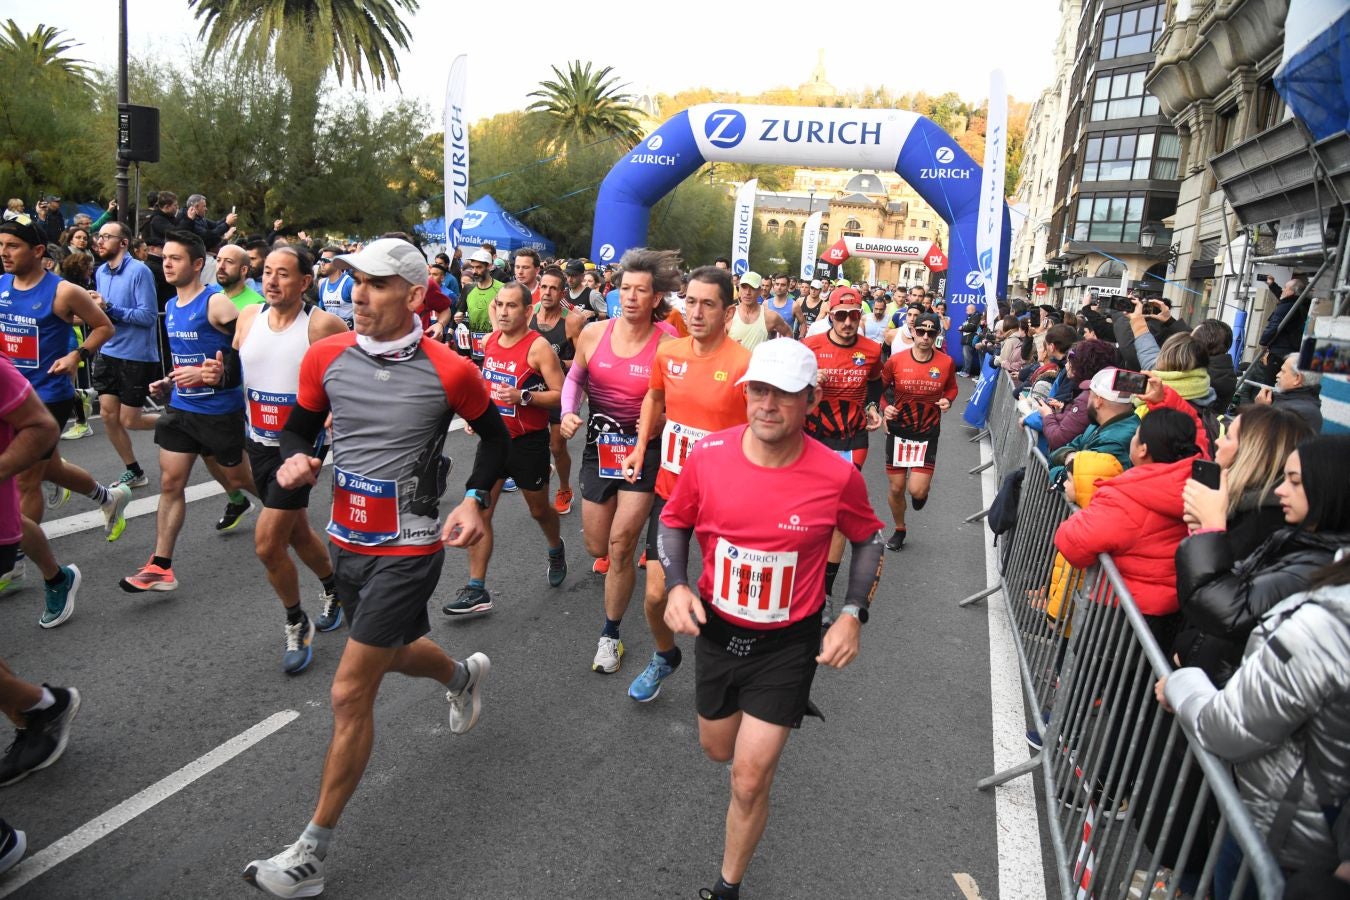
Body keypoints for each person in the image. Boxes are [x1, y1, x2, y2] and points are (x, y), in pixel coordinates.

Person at [242, 237, 510, 898]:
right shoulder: (326, 357)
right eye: (353, 281)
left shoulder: (451, 372)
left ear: (414, 295)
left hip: (411, 546)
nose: (358, 295)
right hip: (347, 541)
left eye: (376, 284)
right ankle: (458, 676)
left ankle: (310, 853)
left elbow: (497, 440)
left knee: (348, 689)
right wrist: (295, 458)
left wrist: (476, 502)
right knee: (387, 655)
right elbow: (299, 427)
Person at [658, 338, 885, 900]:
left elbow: (868, 539)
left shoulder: (835, 475)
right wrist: (678, 585)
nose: (767, 405)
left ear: (810, 399)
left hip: (789, 641)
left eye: (783, 395)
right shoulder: (708, 455)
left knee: (749, 777)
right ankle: (766, 715)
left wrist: (853, 613)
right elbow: (672, 521)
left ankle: (727, 886)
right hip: (718, 629)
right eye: (758, 391)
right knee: (717, 749)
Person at [1160, 556, 1350, 899]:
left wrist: (1182, 682)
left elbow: (1228, 728)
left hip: (1283, 831)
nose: (1281, 496)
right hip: (1304, 826)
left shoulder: (1327, 625)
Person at [203, 246, 348, 674]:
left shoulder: (322, 325)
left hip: (301, 447)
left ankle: (295, 621)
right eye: (267, 272)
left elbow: (348, 375)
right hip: (258, 442)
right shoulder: (247, 318)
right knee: (298, 531)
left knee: (268, 544)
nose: (272, 281)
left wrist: (336, 409)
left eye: (283, 274)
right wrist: (217, 375)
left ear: (305, 282)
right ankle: (334, 586)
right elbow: (237, 369)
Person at [619, 265, 750, 702]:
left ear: (727, 312)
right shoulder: (668, 352)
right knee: (656, 594)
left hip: (725, 499)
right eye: (689, 301)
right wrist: (641, 445)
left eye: (707, 304)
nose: (695, 312)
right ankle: (664, 655)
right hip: (672, 490)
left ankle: (731, 666)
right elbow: (654, 395)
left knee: (724, 597)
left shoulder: (744, 365)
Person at [559, 248, 675, 673]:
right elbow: (576, 378)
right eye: (625, 288)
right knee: (597, 544)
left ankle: (610, 635)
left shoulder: (668, 346)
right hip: (598, 451)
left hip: (644, 456)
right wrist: (568, 412)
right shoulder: (593, 333)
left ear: (656, 298)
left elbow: (674, 406)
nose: (629, 297)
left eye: (640, 291)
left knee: (621, 546)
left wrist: (656, 427)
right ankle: (618, 565)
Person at [120, 231, 255, 593]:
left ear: (197, 265)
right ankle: (160, 566)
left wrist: (219, 372)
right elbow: (188, 361)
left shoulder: (216, 303)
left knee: (242, 480)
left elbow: (251, 346)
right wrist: (169, 381)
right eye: (165, 257)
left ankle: (287, 509)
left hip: (219, 411)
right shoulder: (173, 308)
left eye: (176, 258)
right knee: (170, 483)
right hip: (181, 408)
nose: (166, 263)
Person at [1174, 434, 1350, 687]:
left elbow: (1230, 611)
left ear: (1330, 488)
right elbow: (1239, 586)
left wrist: (1211, 529)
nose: (1280, 490)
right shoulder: (1294, 540)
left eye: (1295, 481)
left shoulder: (1321, 565)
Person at [0, 217, 131, 548]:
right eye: (1, 245)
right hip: (11, 395)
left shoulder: (63, 291)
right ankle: (109, 497)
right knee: (50, 467)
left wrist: (77, 355)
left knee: (26, 479)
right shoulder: (1, 285)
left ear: (38, 251)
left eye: (13, 246)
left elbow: (104, 327)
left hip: (48, 397)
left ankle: (13, 560)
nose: (4, 252)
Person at [443, 282, 567, 616]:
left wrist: (525, 397)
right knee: (480, 511)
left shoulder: (538, 347)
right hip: (494, 441)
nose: (502, 311)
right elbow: (486, 383)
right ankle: (476, 588)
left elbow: (561, 393)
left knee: (539, 511)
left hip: (529, 443)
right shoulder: (489, 340)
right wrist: (476, 414)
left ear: (528, 311)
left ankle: (556, 548)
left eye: (512, 306)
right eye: (499, 304)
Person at [1054, 407, 1204, 647]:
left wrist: (1082, 504)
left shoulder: (1129, 496)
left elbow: (1073, 543)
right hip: (1169, 614)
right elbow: (1198, 433)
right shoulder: (1199, 486)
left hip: (1117, 614)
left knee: (1092, 675)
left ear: (1142, 449)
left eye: (1135, 435)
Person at [801, 286, 883, 614]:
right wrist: (809, 381)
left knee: (836, 517)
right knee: (808, 513)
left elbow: (876, 381)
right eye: (841, 316)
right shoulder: (810, 347)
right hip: (813, 438)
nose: (848, 322)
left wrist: (874, 405)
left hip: (853, 439)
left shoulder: (872, 350)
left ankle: (824, 593)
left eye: (853, 315)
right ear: (830, 316)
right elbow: (791, 392)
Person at [90, 220, 162, 490]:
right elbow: (104, 314)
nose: (99, 241)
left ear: (123, 243)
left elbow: (147, 316)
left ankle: (180, 424)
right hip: (108, 351)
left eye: (106, 236)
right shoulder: (101, 272)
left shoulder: (139, 271)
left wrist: (109, 307)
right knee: (109, 415)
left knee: (129, 420)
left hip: (136, 354)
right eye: (99, 236)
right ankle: (134, 471)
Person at [879, 311, 957, 551]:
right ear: (912, 331)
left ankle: (920, 495)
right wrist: (885, 408)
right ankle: (899, 529)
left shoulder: (945, 362)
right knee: (896, 487)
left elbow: (952, 388)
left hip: (926, 433)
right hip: (899, 431)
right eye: (920, 331)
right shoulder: (896, 361)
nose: (925, 336)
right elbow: (879, 390)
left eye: (930, 333)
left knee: (916, 489)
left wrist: (948, 401)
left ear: (936, 335)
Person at [530, 265, 586, 516]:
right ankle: (543, 468)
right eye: (544, 287)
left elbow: (586, 359)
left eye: (553, 288)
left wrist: (558, 363)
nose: (547, 292)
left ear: (562, 292)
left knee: (556, 446)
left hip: (560, 391)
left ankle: (564, 487)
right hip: (532, 390)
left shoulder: (572, 321)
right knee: (529, 444)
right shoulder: (530, 314)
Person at [1047, 368, 1143, 485]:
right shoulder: (1097, 425)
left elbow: (1071, 480)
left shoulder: (1113, 441)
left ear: (1098, 401)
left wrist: (1064, 464)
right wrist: (1068, 456)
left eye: (1090, 394)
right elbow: (1054, 455)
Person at [1257, 353, 1324, 433]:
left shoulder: (1302, 412)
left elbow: (1266, 440)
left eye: (1283, 371)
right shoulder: (1288, 400)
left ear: (1297, 379)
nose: (1278, 375)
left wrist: (1262, 409)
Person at [460, 247, 500, 361]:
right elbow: (459, 311)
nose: (474, 271)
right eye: (472, 267)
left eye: (478, 267)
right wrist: (458, 316)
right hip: (473, 348)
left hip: (495, 347)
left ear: (489, 266)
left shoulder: (502, 288)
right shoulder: (468, 288)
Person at [216, 244, 266, 311]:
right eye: (218, 260)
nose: (221, 266)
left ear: (243, 270)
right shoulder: (215, 298)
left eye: (229, 261)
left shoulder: (257, 304)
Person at [315, 246, 354, 327]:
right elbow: (322, 311)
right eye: (321, 260)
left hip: (348, 333)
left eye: (326, 260)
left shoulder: (350, 283)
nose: (322, 264)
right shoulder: (322, 284)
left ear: (338, 262)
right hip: (330, 332)